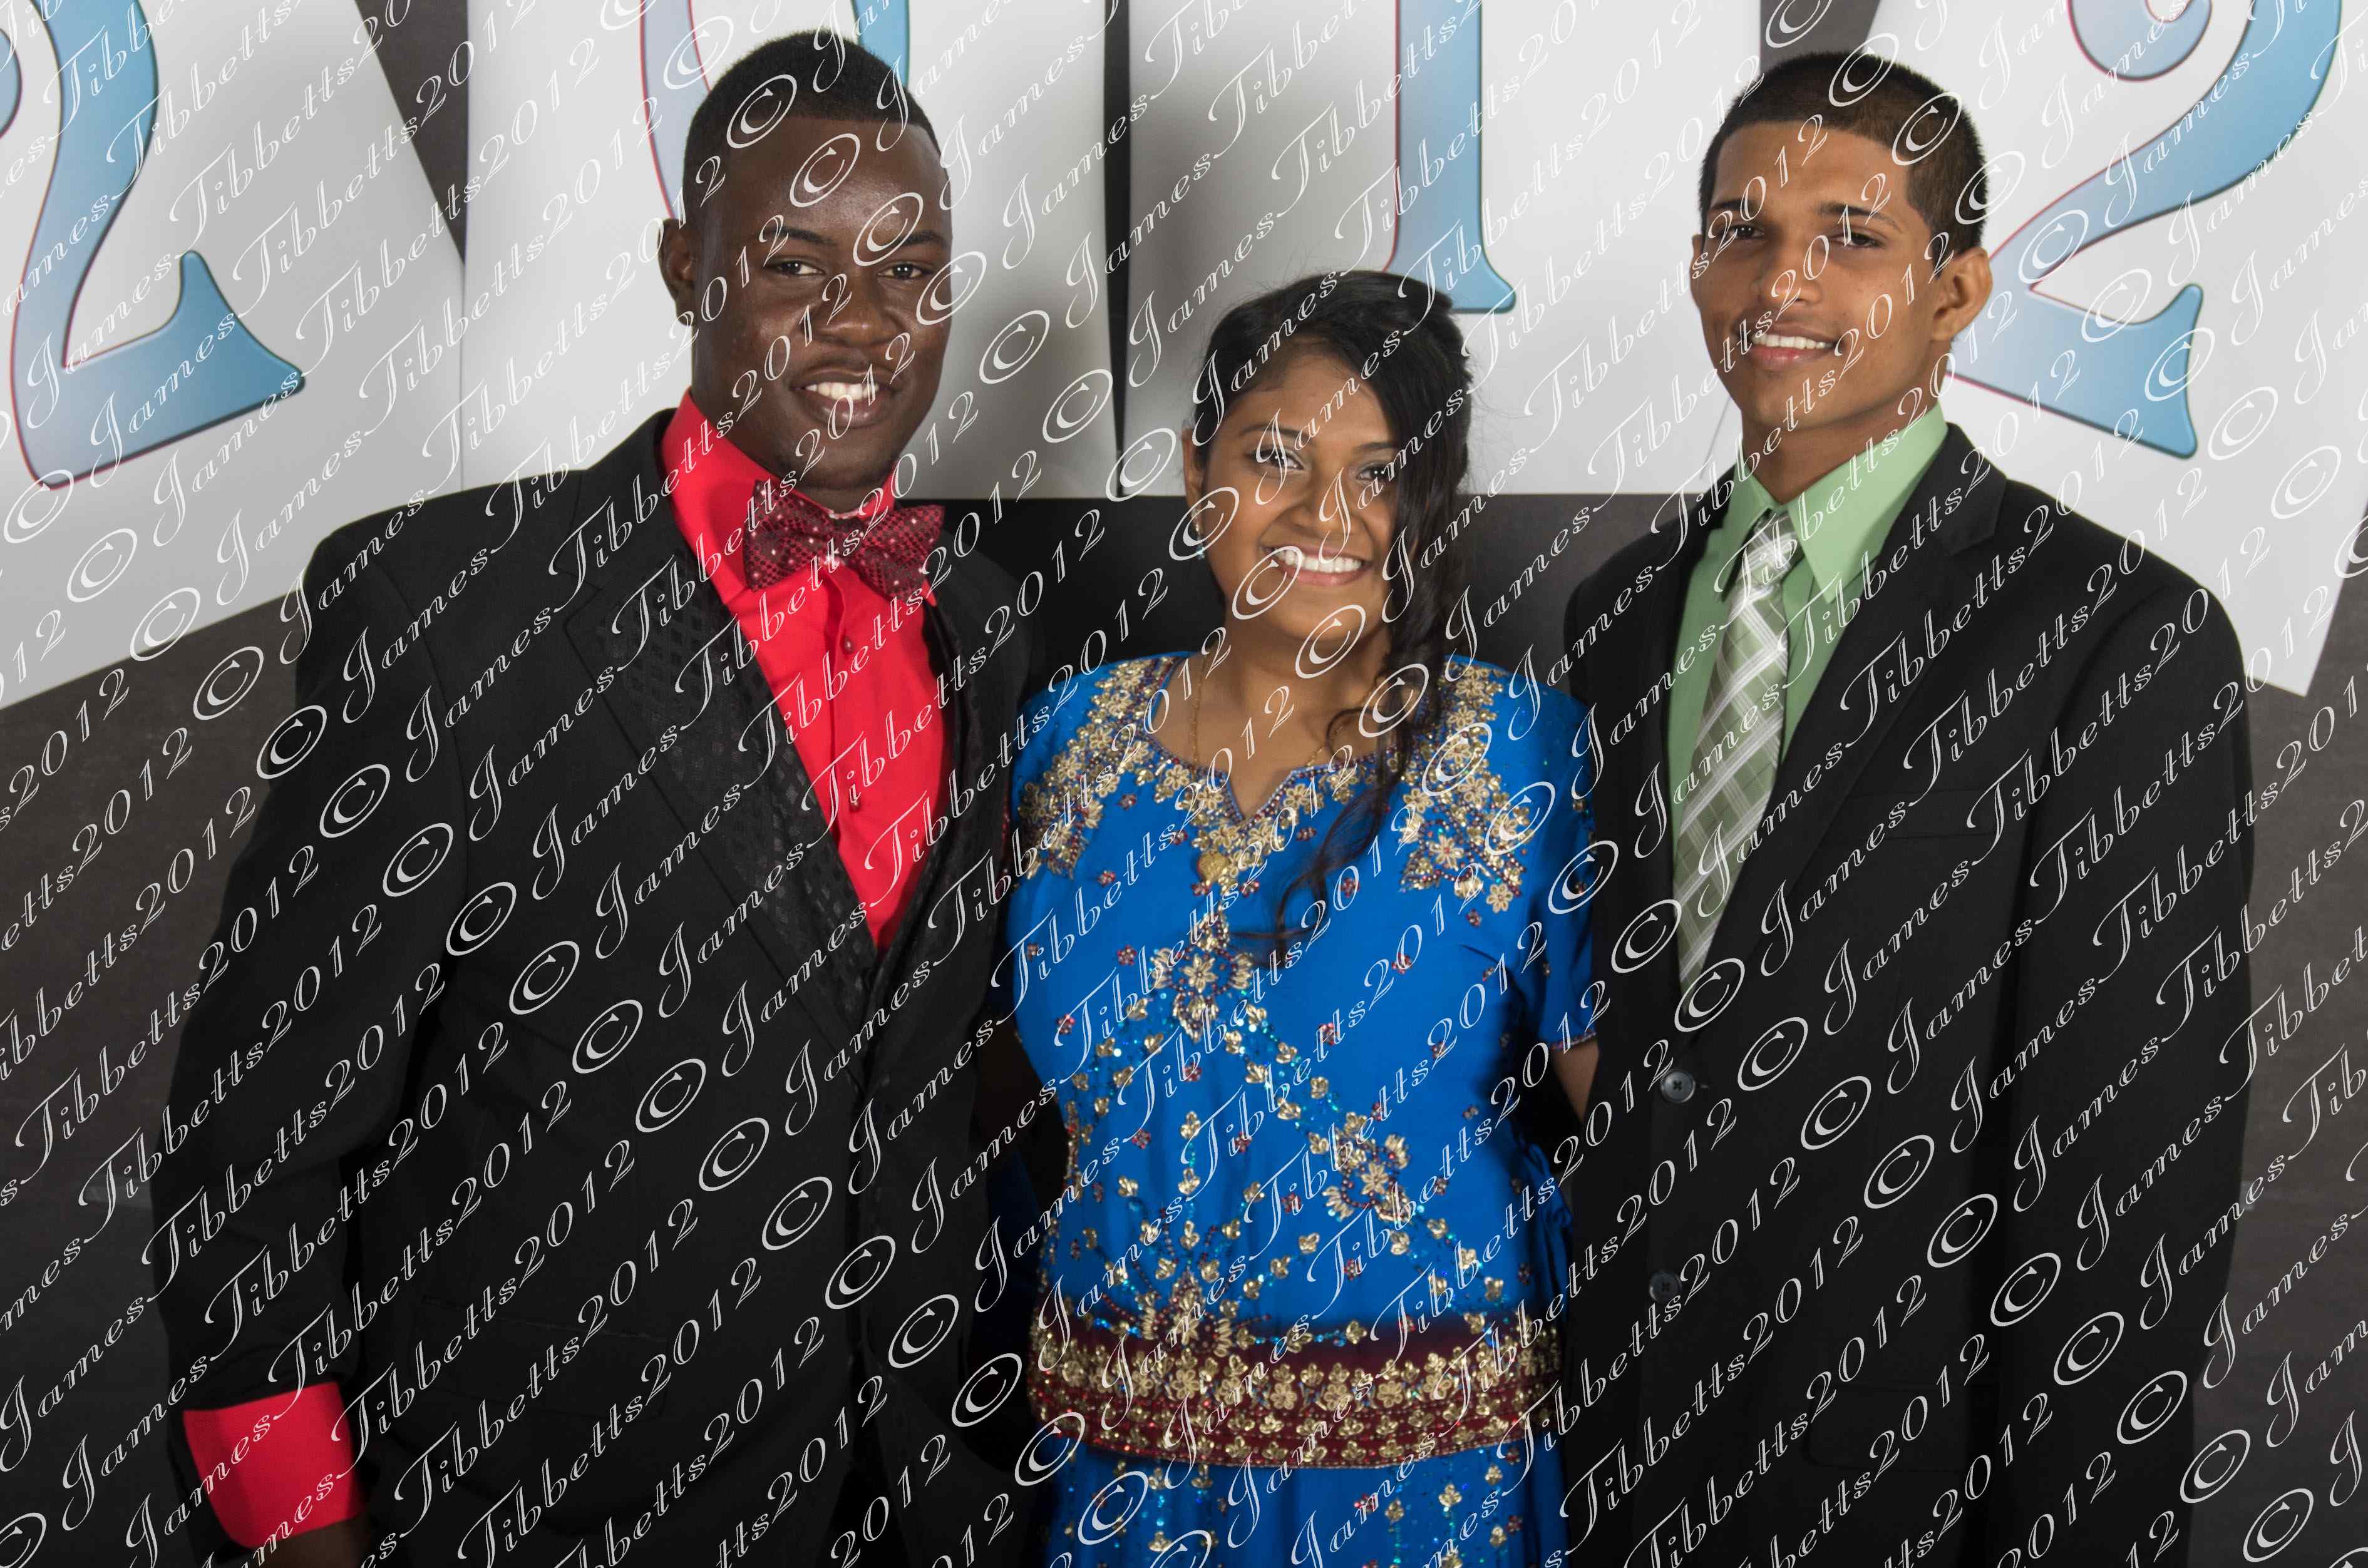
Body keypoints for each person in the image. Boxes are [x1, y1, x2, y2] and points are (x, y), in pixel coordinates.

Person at [151, 31, 1037, 1568]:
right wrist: (302, 1534)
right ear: (685, 267)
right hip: (537, 1506)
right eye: (794, 264)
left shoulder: (984, 618)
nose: (862, 321)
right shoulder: (455, 613)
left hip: (911, 1494)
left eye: (910, 270)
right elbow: (256, 1139)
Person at [1553, 50, 2253, 1568]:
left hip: (1904, 1481)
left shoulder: (2113, 632)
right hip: (1608, 1464)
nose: (1780, 279)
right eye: (1739, 230)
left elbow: (2128, 1175)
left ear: (1956, 291)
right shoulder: (1613, 617)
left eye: (1853, 236)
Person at [986, 271, 1602, 1567]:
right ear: (1192, 465)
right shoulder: (1064, 739)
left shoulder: (1519, 755)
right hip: (1121, 1486)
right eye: (1274, 457)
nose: (1327, 514)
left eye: (1381, 474)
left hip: (1422, 1493)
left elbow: (1643, 1121)